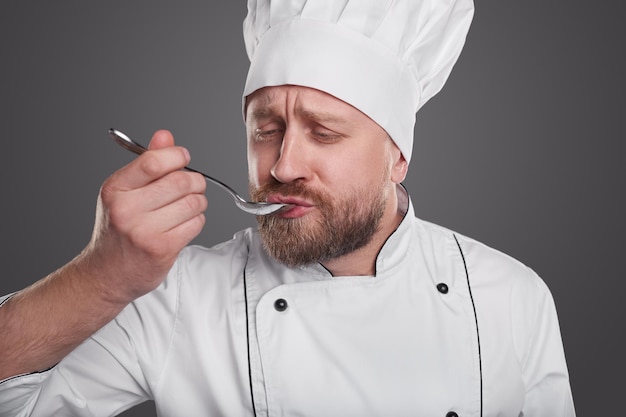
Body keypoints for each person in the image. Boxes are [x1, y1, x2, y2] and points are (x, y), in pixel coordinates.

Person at [0, 0, 576, 416]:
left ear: (398, 158)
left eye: (324, 132)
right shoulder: (175, 298)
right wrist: (103, 276)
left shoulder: (510, 298)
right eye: (266, 129)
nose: (281, 166)